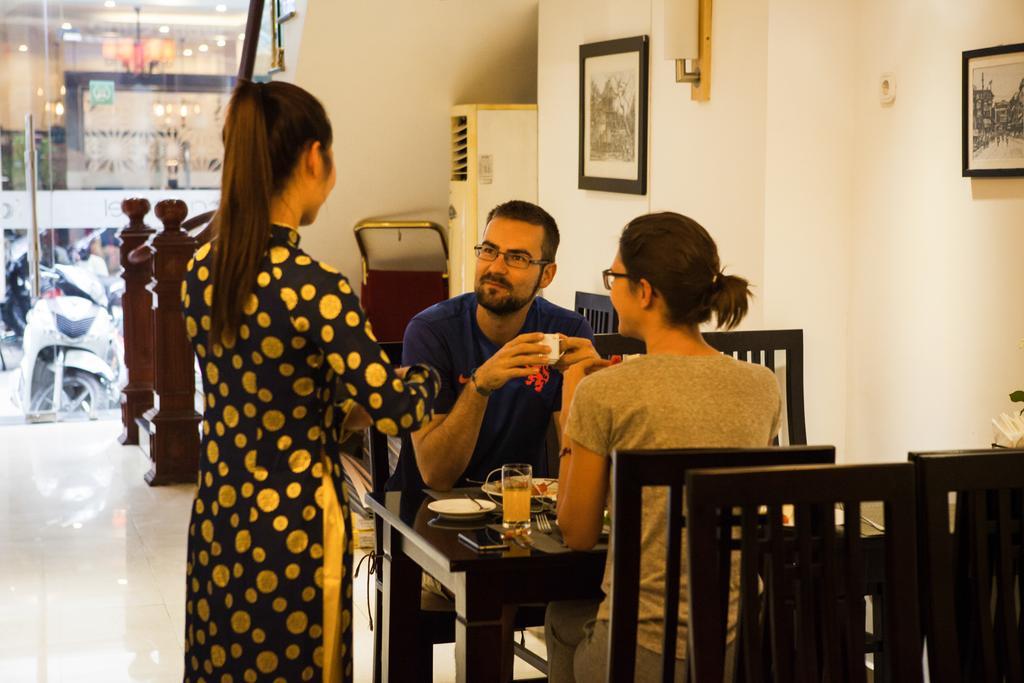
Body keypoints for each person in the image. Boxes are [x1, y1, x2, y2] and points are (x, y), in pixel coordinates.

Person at [180, 80, 440, 683]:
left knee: (225, 664)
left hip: (221, 507)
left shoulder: (201, 270)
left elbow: (263, 389)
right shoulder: (314, 286)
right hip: (295, 519)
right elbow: (396, 407)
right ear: (313, 157)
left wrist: (332, 405)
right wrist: (431, 373)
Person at [544, 212, 782, 682]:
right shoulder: (762, 385)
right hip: (734, 648)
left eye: (614, 277)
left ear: (645, 291)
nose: (610, 287)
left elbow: (577, 533)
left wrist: (574, 402)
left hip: (641, 655)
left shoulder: (604, 392)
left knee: (562, 617)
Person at [387, 200, 598, 492]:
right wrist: (480, 385)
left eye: (518, 258)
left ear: (546, 275)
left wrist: (590, 390)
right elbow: (436, 475)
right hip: (428, 512)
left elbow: (578, 467)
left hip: (519, 508)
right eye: (489, 251)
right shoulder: (432, 331)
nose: (496, 268)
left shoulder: (567, 331)